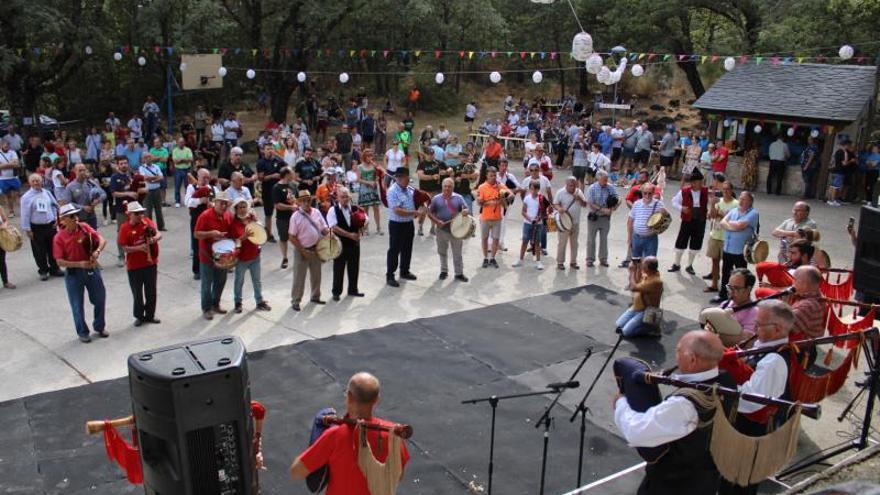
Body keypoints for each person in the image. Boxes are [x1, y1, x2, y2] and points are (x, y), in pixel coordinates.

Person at [614, 330, 734, 494]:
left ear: (692, 359)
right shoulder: (728, 382)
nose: (676, 355)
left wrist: (621, 403)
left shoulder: (684, 404)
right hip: (706, 481)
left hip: (672, 486)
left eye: (679, 351)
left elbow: (637, 432)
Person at [718, 299, 794, 495]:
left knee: (739, 482)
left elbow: (751, 402)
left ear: (777, 329)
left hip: (750, 431)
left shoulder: (774, 361)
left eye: (759, 324)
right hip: (746, 429)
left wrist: (725, 383)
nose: (755, 328)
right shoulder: (767, 346)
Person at [290, 372, 410, 493]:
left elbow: (297, 471)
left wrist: (317, 436)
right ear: (376, 399)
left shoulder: (334, 435)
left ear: (349, 396)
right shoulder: (393, 435)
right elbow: (398, 476)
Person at [53, 204, 107, 343]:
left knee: (100, 298)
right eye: (72, 216)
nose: (76, 218)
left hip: (91, 268)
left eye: (76, 215)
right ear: (63, 220)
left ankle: (99, 326)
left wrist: (97, 251)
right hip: (74, 273)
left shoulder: (84, 227)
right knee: (77, 304)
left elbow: (101, 240)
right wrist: (79, 264)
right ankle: (83, 332)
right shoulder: (59, 237)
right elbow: (59, 262)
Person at [118, 201, 162, 327]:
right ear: (130, 214)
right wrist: (139, 248)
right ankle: (139, 316)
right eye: (137, 213)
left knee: (151, 291)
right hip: (134, 266)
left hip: (150, 263)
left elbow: (159, 234)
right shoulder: (125, 228)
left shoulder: (147, 221)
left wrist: (154, 239)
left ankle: (150, 315)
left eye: (141, 213)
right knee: (137, 293)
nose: (140, 215)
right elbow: (124, 248)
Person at [194, 191, 234, 320]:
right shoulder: (205, 216)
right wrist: (211, 233)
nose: (223, 206)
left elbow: (231, 232)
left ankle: (215, 304)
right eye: (221, 203)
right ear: (215, 202)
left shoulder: (227, 215)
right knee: (207, 283)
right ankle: (206, 308)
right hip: (207, 255)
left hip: (222, 255)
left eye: (225, 204)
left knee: (221, 281)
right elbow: (196, 234)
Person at [288, 190, 329, 310]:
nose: (306, 202)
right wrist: (302, 251)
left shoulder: (316, 212)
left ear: (311, 200)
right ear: (299, 202)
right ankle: (296, 300)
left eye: (308, 200)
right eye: (303, 200)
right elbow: (291, 236)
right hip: (302, 250)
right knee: (299, 277)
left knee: (316, 274)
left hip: (316, 248)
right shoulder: (295, 217)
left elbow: (324, 228)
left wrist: (330, 235)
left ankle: (315, 296)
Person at [229, 199, 271, 313]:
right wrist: (244, 237)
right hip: (241, 258)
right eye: (240, 207)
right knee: (239, 281)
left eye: (244, 206)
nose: (242, 209)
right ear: (236, 209)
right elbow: (234, 241)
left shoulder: (251, 218)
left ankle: (259, 301)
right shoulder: (233, 223)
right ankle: (238, 303)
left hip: (254, 255)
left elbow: (259, 231)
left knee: (257, 280)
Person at [21, 174, 63, 280]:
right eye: (33, 181)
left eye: (38, 180)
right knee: (39, 250)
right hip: (36, 227)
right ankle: (43, 270)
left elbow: (54, 206)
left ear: (42, 181)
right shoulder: (26, 197)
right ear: (30, 183)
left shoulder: (47, 192)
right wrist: (27, 229)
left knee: (53, 247)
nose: (36, 183)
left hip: (50, 225)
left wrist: (55, 219)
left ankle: (55, 268)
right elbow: (25, 214)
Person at [326, 187, 366, 300]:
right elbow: (333, 227)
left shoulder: (355, 208)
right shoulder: (333, 210)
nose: (345, 199)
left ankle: (353, 289)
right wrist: (350, 235)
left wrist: (361, 230)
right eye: (342, 197)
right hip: (340, 245)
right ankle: (336, 292)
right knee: (339, 268)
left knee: (354, 267)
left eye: (346, 196)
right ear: (337, 198)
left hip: (354, 244)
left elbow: (365, 219)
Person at [427, 178, 469, 281]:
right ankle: (444, 271)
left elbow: (466, 209)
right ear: (442, 187)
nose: (447, 188)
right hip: (441, 230)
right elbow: (429, 213)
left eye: (449, 186)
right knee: (442, 252)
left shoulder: (458, 198)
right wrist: (437, 222)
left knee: (457, 253)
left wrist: (465, 211)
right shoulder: (436, 199)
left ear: (453, 188)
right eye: (445, 186)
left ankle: (459, 273)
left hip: (456, 230)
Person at [669, 170, 708, 275]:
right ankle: (676, 264)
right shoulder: (684, 191)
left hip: (700, 221)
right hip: (687, 220)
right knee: (682, 240)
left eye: (701, 182)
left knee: (696, 242)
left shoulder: (706, 191)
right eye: (698, 182)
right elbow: (674, 201)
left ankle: (689, 265)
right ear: (693, 183)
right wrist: (682, 208)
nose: (701, 184)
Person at [703, 268, 759, 342]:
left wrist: (716, 336)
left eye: (736, 288)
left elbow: (745, 341)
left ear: (748, 289)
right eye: (729, 287)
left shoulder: (754, 313)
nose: (731, 292)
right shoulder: (725, 304)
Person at [385, 168, 418, 287]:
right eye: (406, 178)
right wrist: (413, 212)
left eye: (408, 178)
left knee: (407, 248)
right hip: (397, 224)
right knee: (394, 250)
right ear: (399, 178)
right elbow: (397, 210)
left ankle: (404, 271)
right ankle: (390, 275)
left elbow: (417, 200)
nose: (408, 180)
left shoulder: (409, 189)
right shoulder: (392, 191)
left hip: (408, 224)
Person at [616, 255, 663, 337]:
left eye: (643, 264)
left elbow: (634, 287)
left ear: (648, 268)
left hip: (647, 311)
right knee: (619, 324)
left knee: (626, 332)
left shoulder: (655, 281)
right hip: (636, 307)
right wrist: (637, 269)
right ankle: (641, 324)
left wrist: (632, 272)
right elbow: (637, 281)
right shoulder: (648, 274)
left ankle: (651, 327)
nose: (642, 266)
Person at [704, 181, 738, 293]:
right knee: (714, 261)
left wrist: (722, 215)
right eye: (724, 189)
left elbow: (735, 220)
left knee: (728, 265)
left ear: (731, 190)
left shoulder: (736, 204)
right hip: (715, 234)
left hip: (727, 237)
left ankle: (729, 286)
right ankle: (714, 284)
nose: (725, 191)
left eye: (728, 189)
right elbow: (711, 217)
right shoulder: (719, 202)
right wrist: (713, 205)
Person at [627, 183, 665, 283]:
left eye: (650, 193)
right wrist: (629, 237)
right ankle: (636, 282)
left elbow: (665, 221)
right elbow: (630, 220)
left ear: (653, 193)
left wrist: (656, 229)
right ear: (642, 193)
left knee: (650, 265)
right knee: (636, 263)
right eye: (645, 193)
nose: (647, 196)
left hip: (651, 239)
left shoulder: (658, 204)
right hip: (637, 237)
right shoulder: (637, 204)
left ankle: (647, 285)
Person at [477, 167, 509, 269]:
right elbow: (479, 202)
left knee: (496, 239)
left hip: (497, 218)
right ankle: (485, 258)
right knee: (484, 239)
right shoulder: (482, 187)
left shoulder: (500, 186)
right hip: (485, 217)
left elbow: (507, 201)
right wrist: (488, 202)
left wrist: (504, 197)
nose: (493, 177)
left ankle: (493, 258)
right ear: (486, 176)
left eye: (495, 175)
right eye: (491, 175)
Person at [552, 177, 587, 270]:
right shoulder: (560, 192)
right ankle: (560, 262)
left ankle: (573, 262)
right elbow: (555, 204)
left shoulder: (578, 192)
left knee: (574, 243)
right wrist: (559, 209)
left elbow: (585, 204)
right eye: (571, 186)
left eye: (575, 185)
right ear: (566, 185)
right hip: (564, 222)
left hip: (575, 222)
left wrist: (579, 198)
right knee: (562, 243)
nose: (573, 188)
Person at [585, 170, 618, 268]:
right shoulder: (592, 188)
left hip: (605, 218)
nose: (606, 181)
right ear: (598, 178)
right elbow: (590, 202)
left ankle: (603, 259)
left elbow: (617, 198)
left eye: (606, 179)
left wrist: (613, 208)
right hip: (594, 217)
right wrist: (602, 209)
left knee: (604, 239)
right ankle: (590, 259)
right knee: (591, 239)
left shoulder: (610, 187)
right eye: (604, 179)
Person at [513, 181, 548, 270]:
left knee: (537, 243)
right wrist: (530, 219)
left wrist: (539, 218)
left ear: (538, 189)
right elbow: (523, 211)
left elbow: (545, 212)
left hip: (538, 225)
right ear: (529, 188)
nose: (533, 191)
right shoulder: (527, 198)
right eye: (531, 189)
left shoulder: (541, 198)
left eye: (535, 189)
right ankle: (520, 260)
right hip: (527, 224)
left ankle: (538, 262)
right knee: (525, 241)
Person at [61, 163, 106, 230]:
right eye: (80, 170)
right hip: (79, 218)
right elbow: (68, 203)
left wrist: (98, 200)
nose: (82, 172)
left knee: (93, 238)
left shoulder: (91, 183)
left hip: (92, 217)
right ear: (75, 171)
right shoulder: (70, 186)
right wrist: (83, 207)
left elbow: (103, 194)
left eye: (84, 170)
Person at [255, 144, 284, 243]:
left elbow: (286, 171)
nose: (270, 151)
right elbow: (260, 178)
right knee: (268, 214)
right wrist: (272, 176)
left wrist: (281, 175)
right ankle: (269, 234)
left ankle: (284, 233)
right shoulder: (261, 162)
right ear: (264, 150)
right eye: (268, 149)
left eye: (271, 149)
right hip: (267, 191)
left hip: (279, 190)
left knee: (282, 211)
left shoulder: (279, 160)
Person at [415, 147, 448, 236]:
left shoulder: (438, 162)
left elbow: (449, 169)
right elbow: (421, 176)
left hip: (436, 190)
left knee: (435, 211)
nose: (431, 156)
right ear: (425, 154)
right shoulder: (422, 164)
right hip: (424, 191)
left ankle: (432, 228)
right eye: (429, 154)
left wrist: (445, 172)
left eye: (432, 154)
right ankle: (420, 227)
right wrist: (432, 177)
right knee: (423, 211)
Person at [788, 265, 826, 341]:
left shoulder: (808, 306)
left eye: (794, 280)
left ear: (804, 284)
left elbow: (783, 328)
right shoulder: (814, 296)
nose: (792, 283)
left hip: (799, 349)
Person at [138, 152, 166, 231]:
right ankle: (149, 227)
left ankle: (161, 226)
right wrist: (156, 177)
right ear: (143, 159)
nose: (148, 159)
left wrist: (152, 179)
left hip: (157, 190)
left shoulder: (156, 166)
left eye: (149, 157)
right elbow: (145, 178)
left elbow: (161, 177)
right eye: (146, 157)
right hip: (147, 191)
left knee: (159, 209)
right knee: (148, 210)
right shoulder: (141, 168)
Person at [827, 139, 856, 207]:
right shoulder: (842, 152)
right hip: (839, 171)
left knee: (832, 185)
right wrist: (851, 161)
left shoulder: (838, 151)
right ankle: (833, 200)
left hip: (835, 171)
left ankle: (830, 199)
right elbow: (844, 163)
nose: (850, 147)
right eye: (849, 145)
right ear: (846, 145)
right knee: (836, 186)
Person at [0, 139, 22, 217]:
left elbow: (17, 164)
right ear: (1, 145)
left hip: (14, 177)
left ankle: (22, 210)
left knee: (18, 195)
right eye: (5, 145)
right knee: (7, 196)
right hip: (3, 178)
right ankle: (11, 211)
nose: (7, 146)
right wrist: (11, 164)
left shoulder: (13, 152)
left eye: (8, 145)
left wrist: (4, 165)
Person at [171, 137, 194, 207]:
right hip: (178, 170)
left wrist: (181, 160)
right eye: (180, 142)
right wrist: (185, 160)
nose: (181, 143)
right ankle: (177, 201)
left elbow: (191, 159)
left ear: (184, 143)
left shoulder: (188, 150)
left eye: (182, 142)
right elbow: (175, 161)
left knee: (188, 186)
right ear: (177, 143)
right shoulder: (175, 150)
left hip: (187, 169)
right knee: (177, 186)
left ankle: (187, 200)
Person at [0, 205, 15, 289]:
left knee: (1, 260)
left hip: (1, 237)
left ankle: (5, 281)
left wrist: (4, 225)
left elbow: (5, 220)